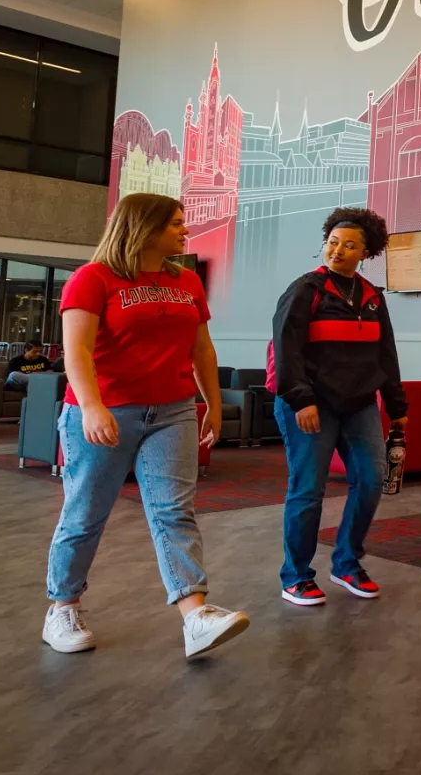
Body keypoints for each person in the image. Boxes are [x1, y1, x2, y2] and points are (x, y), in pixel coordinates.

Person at [41, 192, 249, 659]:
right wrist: (92, 407)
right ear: (144, 226)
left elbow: (202, 350)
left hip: (172, 410)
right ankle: (63, 606)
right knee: (85, 513)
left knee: (175, 511)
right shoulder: (92, 279)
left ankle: (195, 615)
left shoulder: (188, 282)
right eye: (176, 223)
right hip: (103, 412)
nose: (185, 230)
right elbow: (76, 352)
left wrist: (211, 403)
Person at [271, 207, 407, 607]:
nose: (338, 250)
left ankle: (347, 562)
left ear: (365, 253)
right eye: (333, 242)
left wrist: (397, 404)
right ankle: (296, 576)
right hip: (310, 404)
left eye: (349, 245)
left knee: (370, 478)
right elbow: (286, 352)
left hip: (359, 404)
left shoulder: (371, 298)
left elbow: (387, 355)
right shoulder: (305, 290)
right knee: (308, 490)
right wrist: (301, 399)